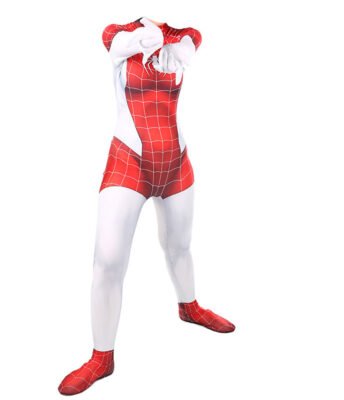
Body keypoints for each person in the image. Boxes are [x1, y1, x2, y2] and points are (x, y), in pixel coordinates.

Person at [58, 16, 235, 396]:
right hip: (129, 161)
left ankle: (189, 307)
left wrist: (174, 43)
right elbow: (120, 44)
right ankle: (101, 357)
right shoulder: (117, 33)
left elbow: (189, 45)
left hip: (176, 162)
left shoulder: (186, 33)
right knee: (107, 261)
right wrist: (148, 39)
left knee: (180, 247)